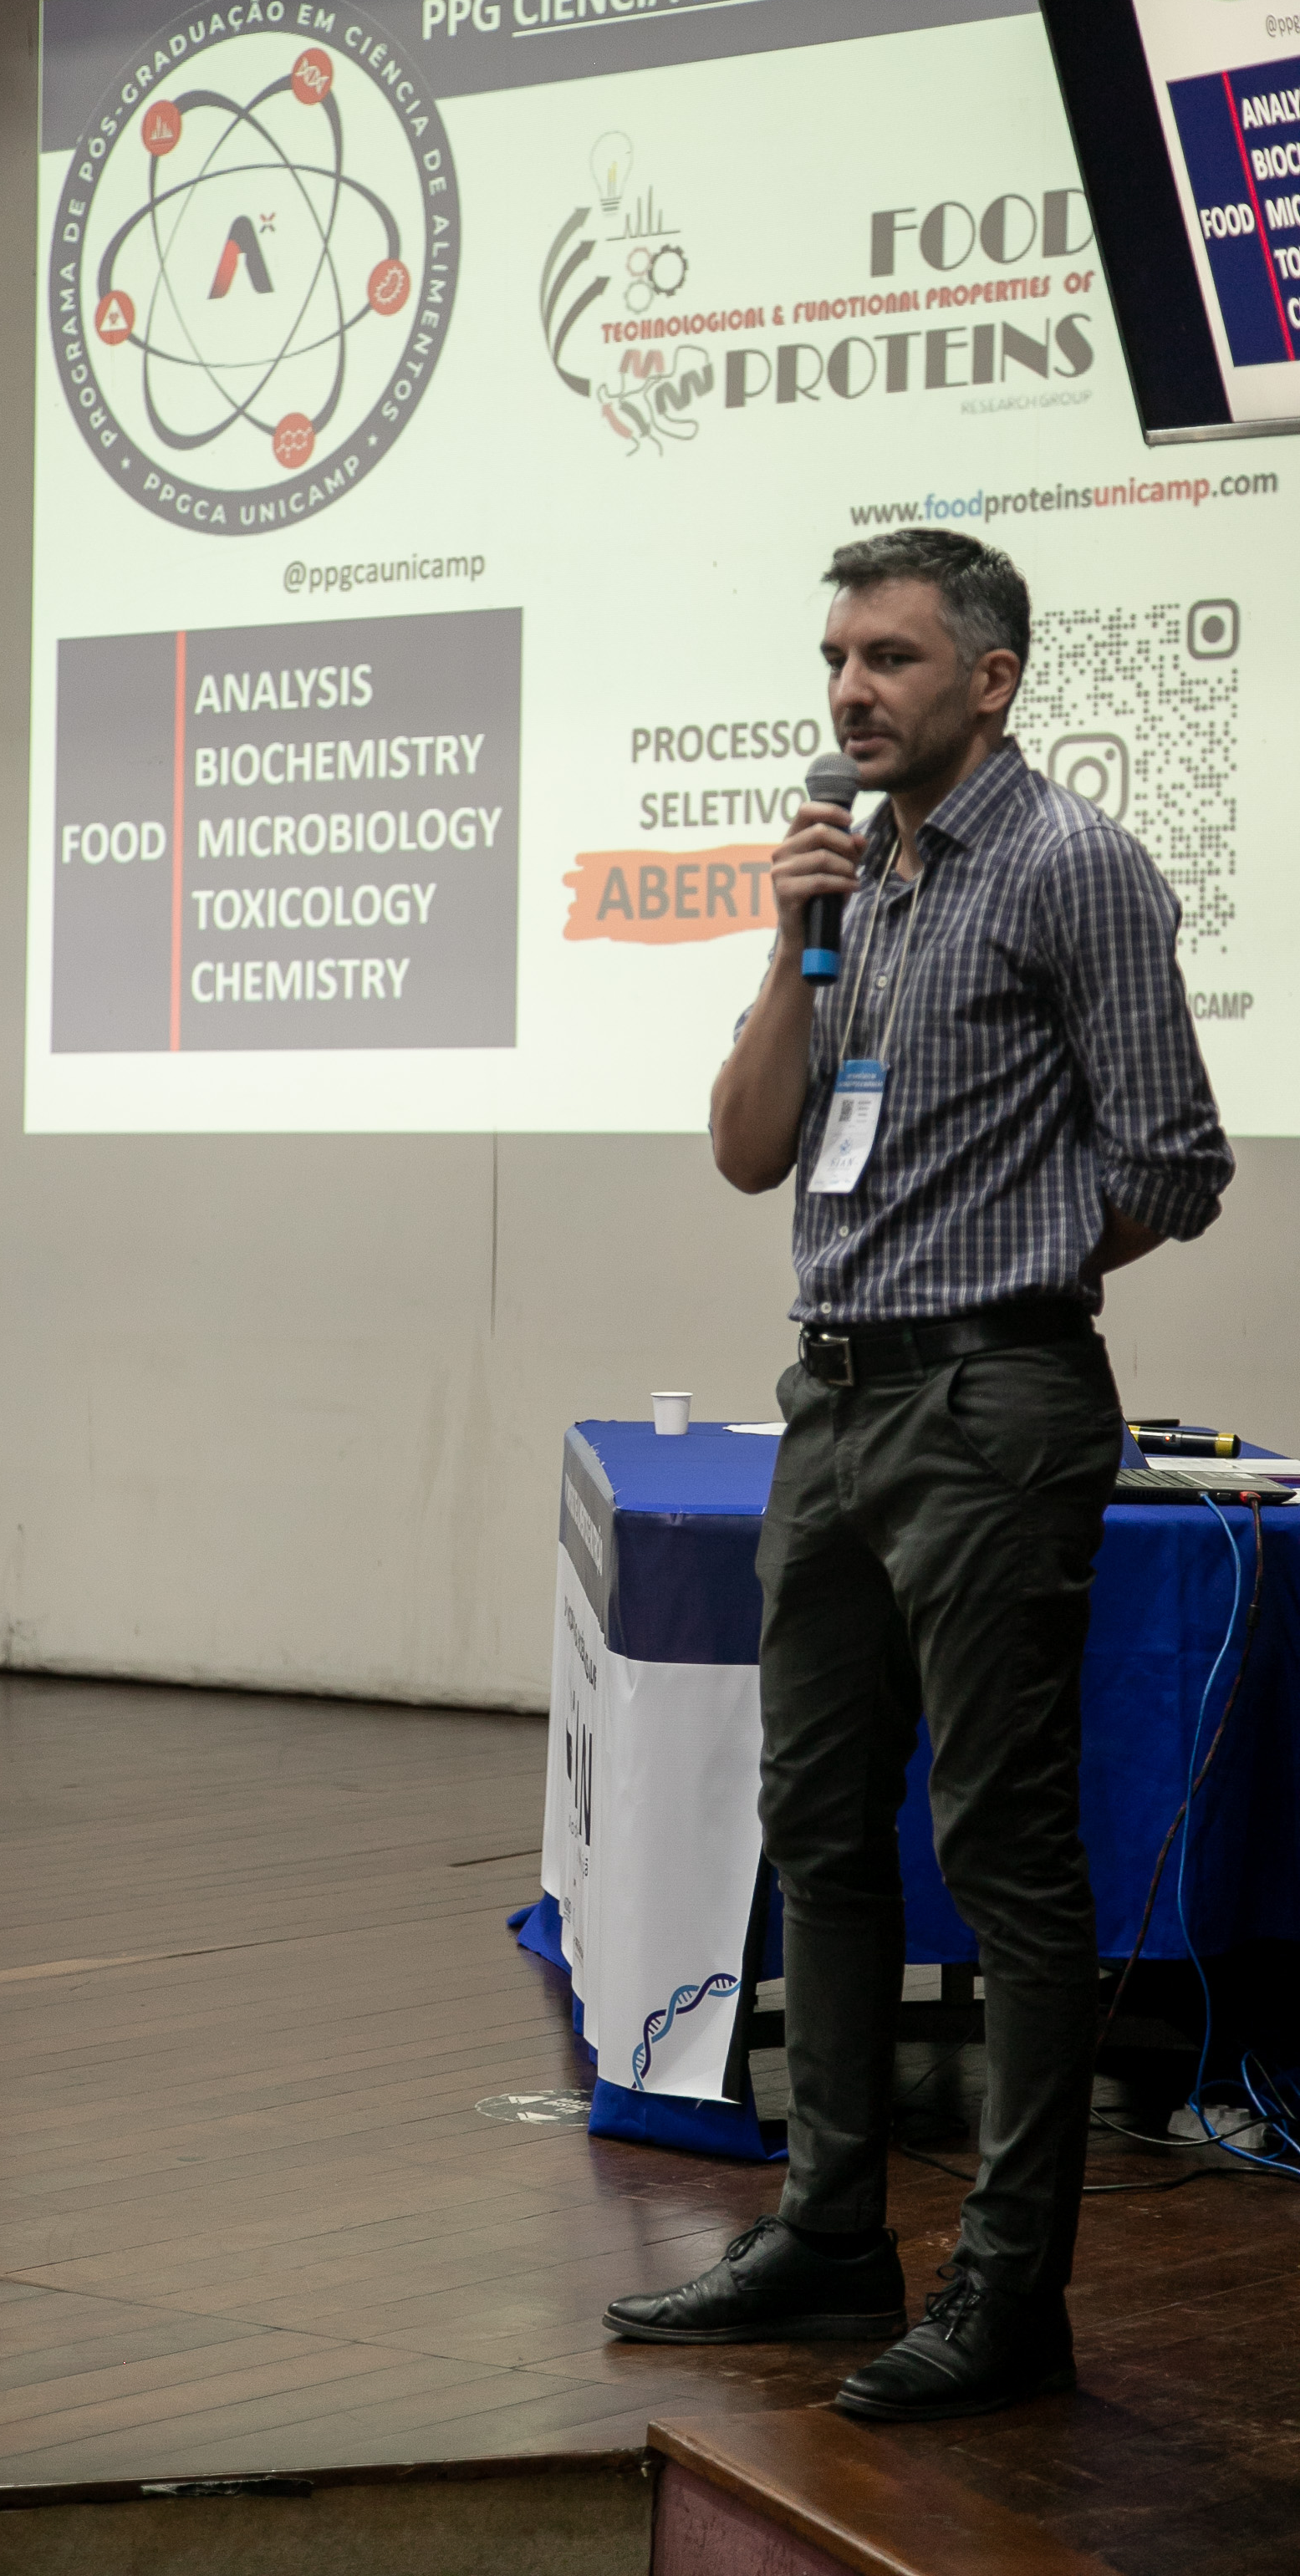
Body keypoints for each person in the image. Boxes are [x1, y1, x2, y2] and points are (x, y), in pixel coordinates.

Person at [602, 528, 1234, 2422]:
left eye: (887, 656)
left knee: (1002, 1851)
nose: (849, 691)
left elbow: (1175, 1161)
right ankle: (828, 2240)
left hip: (988, 1404)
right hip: (834, 1403)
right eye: (834, 660)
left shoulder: (1072, 866)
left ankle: (1009, 2293)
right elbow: (747, 1152)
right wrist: (780, 942)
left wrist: (1003, 1277)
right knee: (815, 1824)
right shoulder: (852, 878)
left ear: (992, 677)